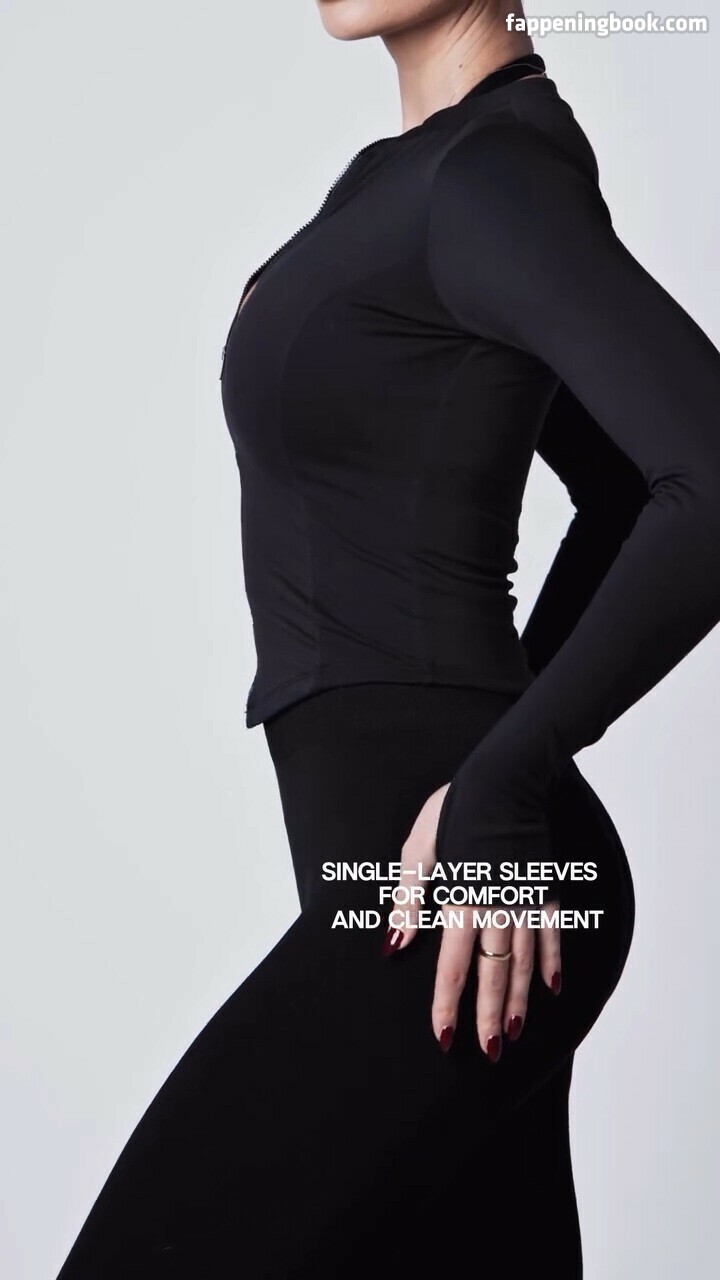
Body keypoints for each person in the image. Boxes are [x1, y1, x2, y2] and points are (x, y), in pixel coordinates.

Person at [57, 2, 720, 1277]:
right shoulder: (419, 177)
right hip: (440, 869)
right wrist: (501, 764)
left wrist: (503, 775)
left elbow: (704, 475)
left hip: (461, 887)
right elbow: (624, 489)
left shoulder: (490, 174)